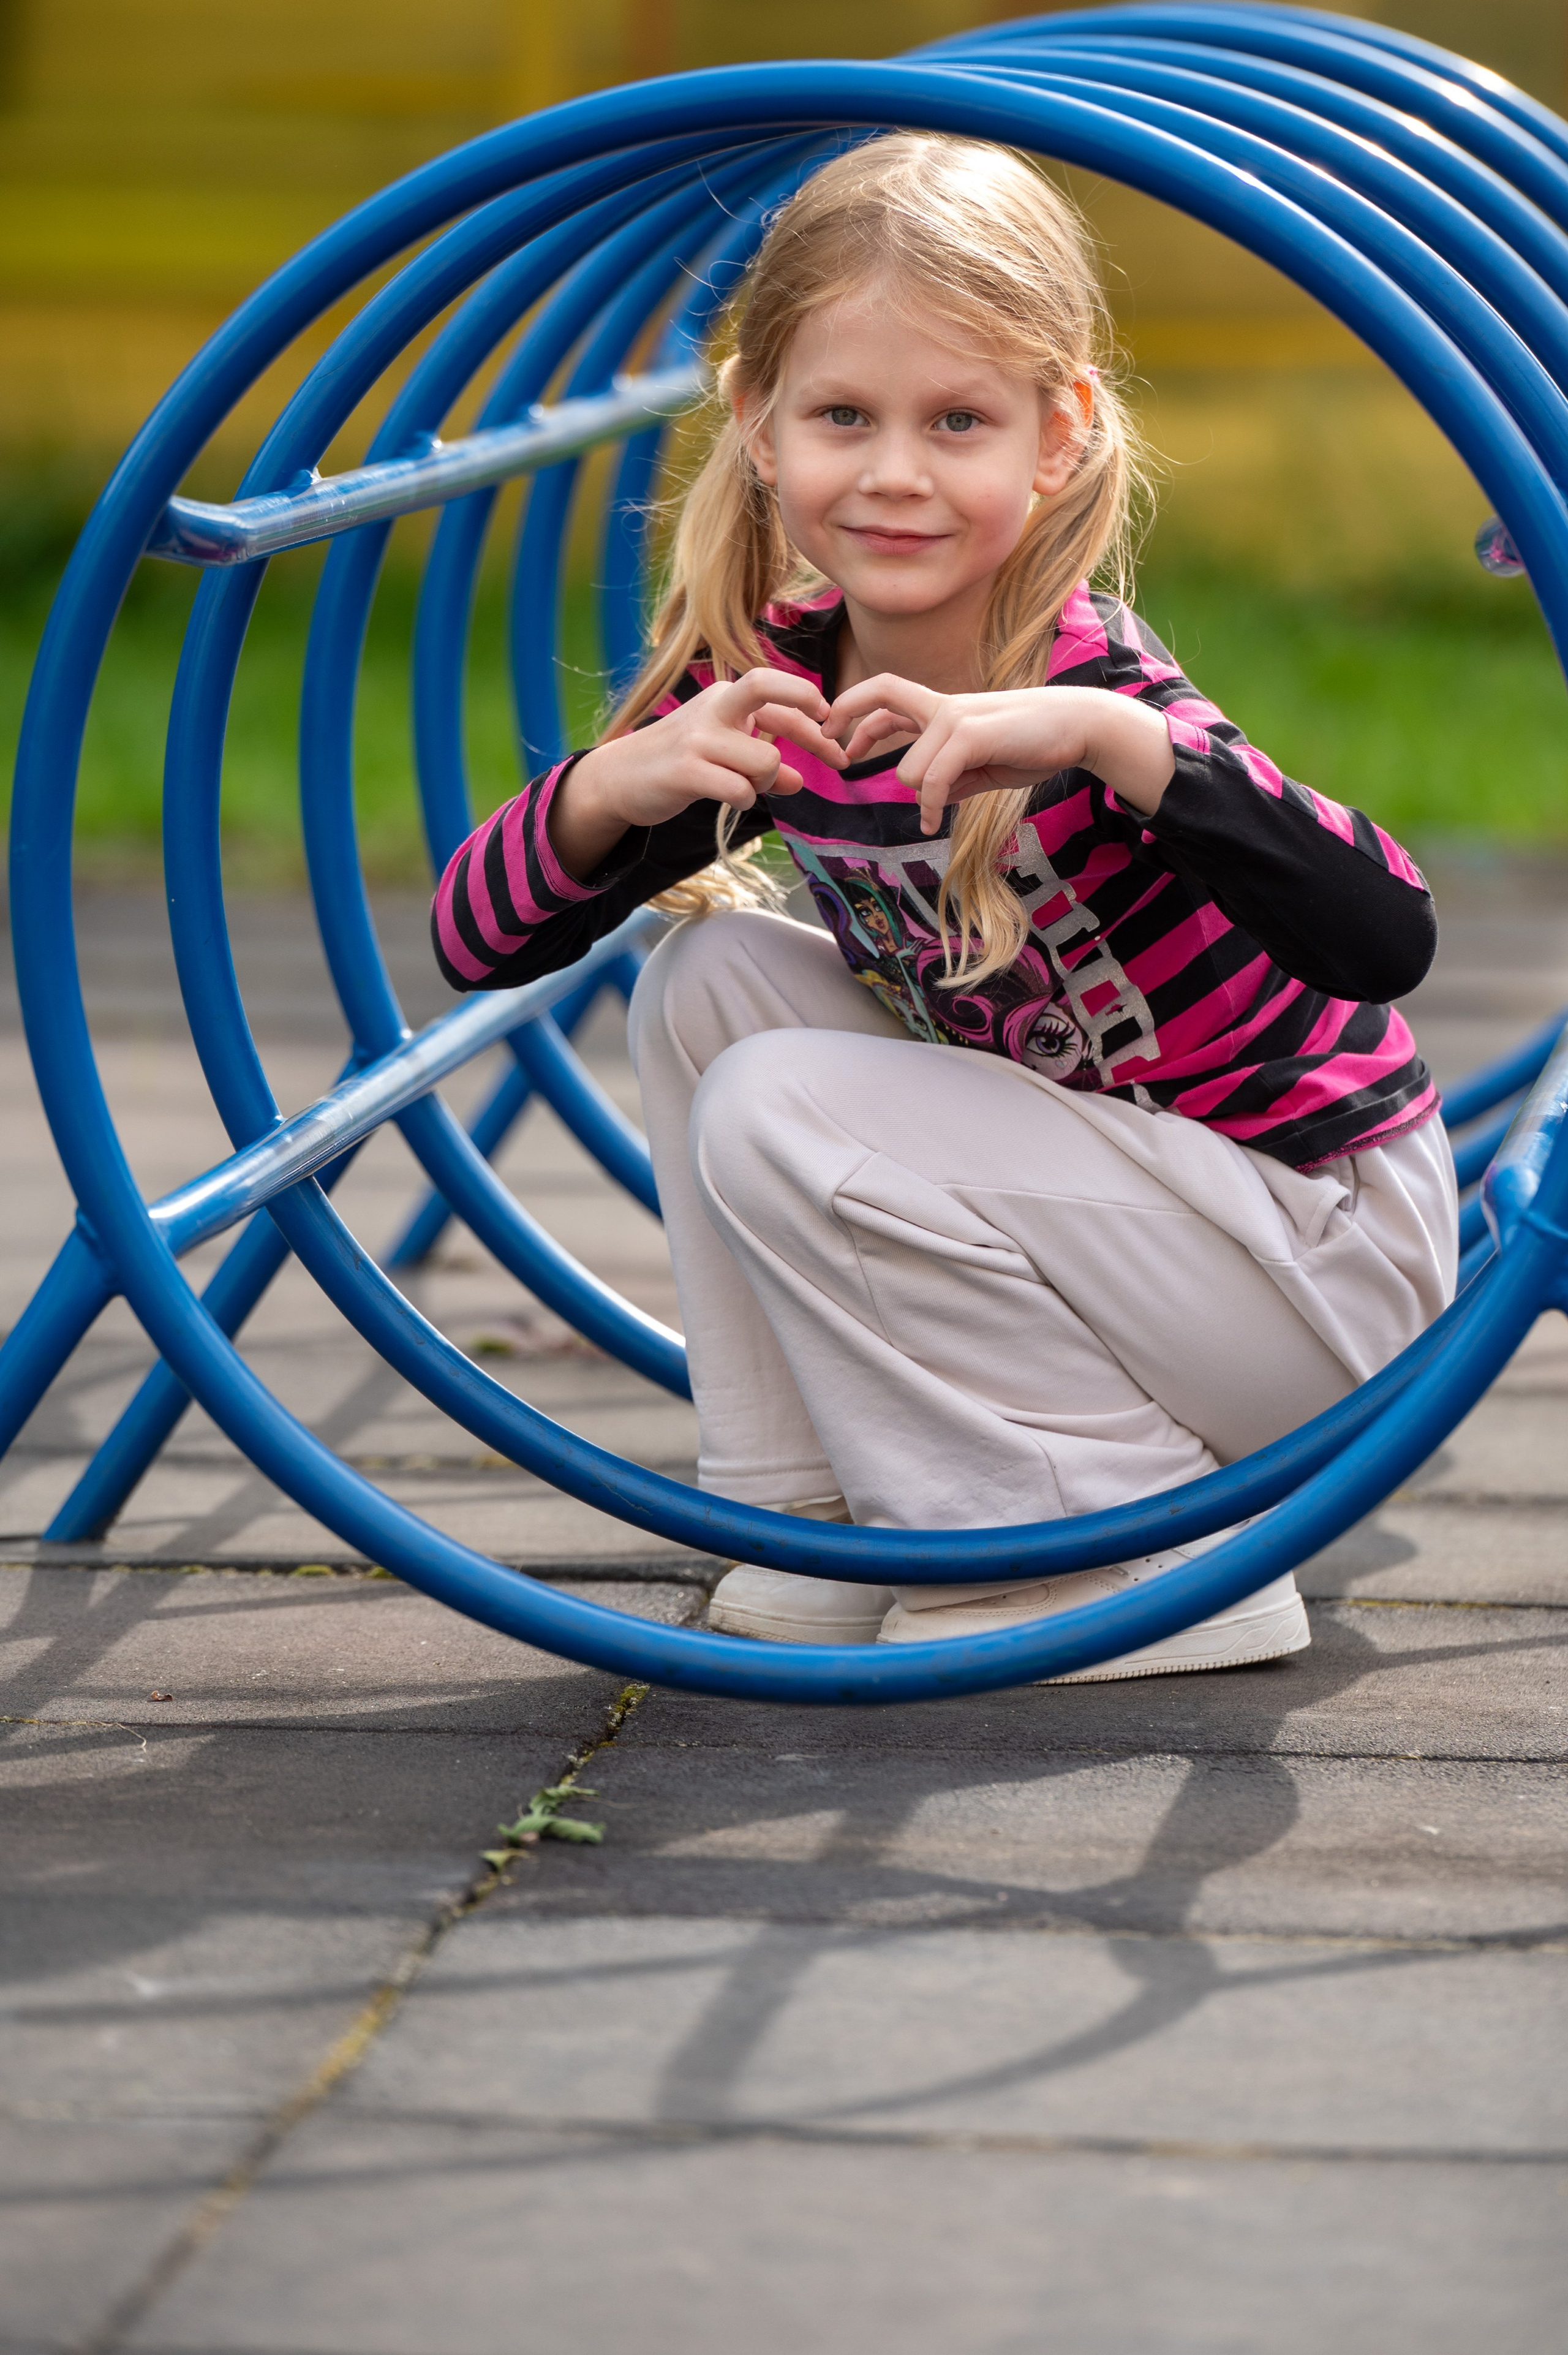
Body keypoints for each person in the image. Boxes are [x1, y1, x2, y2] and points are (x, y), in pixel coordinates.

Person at [431, 135, 1457, 1680]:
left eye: (956, 421)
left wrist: (1122, 750)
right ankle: (811, 1505)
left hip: (1315, 1271)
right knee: (701, 986)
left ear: (1056, 437)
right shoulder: (775, 678)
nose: (895, 470)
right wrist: (615, 786)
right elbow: (471, 947)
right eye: (843, 415)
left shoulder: (1091, 676)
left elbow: (1386, 938)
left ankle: (1114, 1538)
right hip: (1126, 1229)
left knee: (784, 1096)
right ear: (759, 428)